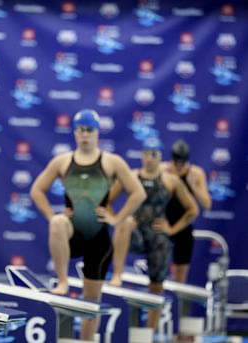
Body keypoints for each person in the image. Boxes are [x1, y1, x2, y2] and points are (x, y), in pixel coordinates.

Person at [29, 109, 146, 340]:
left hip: (98, 239)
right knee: (58, 223)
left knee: (91, 301)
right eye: (80, 130)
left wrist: (116, 218)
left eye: (89, 130)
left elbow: (138, 193)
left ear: (97, 132)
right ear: (74, 132)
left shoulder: (112, 162)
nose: (85, 134)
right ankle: (62, 280)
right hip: (72, 235)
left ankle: (87, 340)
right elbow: (36, 191)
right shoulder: (62, 162)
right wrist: (51, 214)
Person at [109, 138, 198, 330]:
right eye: (146, 154)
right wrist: (114, 218)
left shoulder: (170, 180)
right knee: (124, 224)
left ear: (160, 157)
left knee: (156, 286)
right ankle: (118, 273)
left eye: (154, 154)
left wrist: (172, 229)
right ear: (141, 155)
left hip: (157, 235)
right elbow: (106, 200)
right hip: (135, 232)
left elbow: (193, 210)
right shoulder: (131, 176)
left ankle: (150, 331)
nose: (149, 159)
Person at [161, 139, 212, 283]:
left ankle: (178, 305)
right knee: (156, 276)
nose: (178, 167)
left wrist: (192, 185)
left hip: (183, 227)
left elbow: (207, 204)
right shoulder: (163, 170)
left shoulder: (196, 173)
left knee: (180, 280)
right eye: (175, 163)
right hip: (163, 225)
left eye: (181, 163)